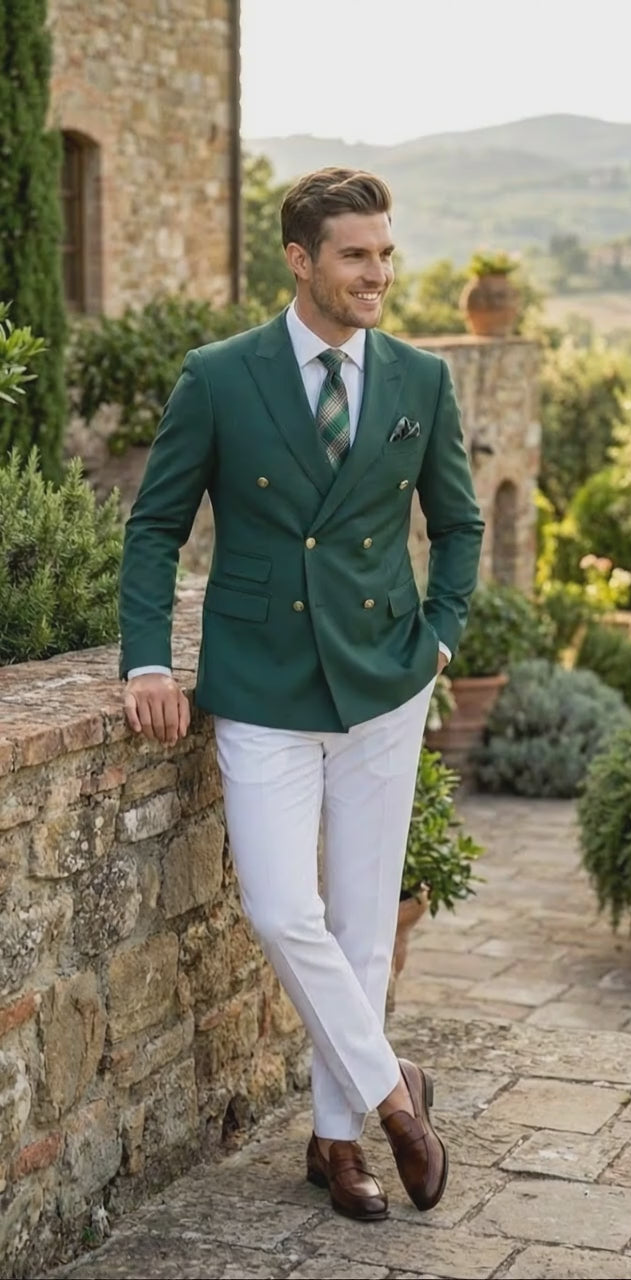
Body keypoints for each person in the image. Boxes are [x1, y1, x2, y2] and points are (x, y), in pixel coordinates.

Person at [119, 167, 484, 1221]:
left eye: (385, 254)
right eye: (355, 255)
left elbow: (459, 523)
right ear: (299, 258)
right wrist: (148, 660)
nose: (378, 274)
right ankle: (396, 1095)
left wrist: (441, 633)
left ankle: (337, 1138)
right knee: (284, 909)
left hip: (383, 679)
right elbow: (155, 526)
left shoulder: (420, 379)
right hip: (263, 679)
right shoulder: (219, 376)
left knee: (364, 927)